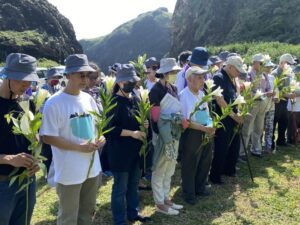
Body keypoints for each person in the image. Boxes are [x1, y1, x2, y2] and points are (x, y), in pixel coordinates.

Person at [40, 54, 105, 225]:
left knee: (87, 212)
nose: (85, 79)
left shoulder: (88, 98)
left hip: (92, 168)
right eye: (80, 75)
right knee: (68, 217)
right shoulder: (54, 103)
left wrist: (101, 138)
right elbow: (47, 137)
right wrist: (79, 147)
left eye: (87, 75)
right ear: (68, 75)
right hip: (69, 170)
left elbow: (97, 128)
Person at [105, 64, 151, 225]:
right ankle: (119, 220)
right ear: (119, 82)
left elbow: (138, 118)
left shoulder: (136, 98)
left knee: (133, 185)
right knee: (120, 188)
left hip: (135, 150)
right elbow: (109, 129)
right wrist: (132, 133)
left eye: (133, 81)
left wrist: (144, 124)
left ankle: (133, 213)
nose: (130, 84)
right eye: (127, 81)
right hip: (120, 152)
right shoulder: (113, 101)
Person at [0, 53, 40, 225]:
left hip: (27, 181)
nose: (27, 84)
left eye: (30, 80)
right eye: (22, 79)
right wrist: (9, 159)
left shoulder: (27, 103)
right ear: (7, 76)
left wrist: (36, 159)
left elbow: (34, 138)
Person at [149, 58, 183, 215]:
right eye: (173, 72)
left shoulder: (174, 88)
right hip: (162, 134)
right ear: (165, 73)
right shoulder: (155, 91)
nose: (176, 74)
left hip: (174, 132)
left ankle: (165, 197)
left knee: (170, 166)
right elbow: (155, 117)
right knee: (160, 167)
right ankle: (159, 202)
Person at [179, 66, 215, 205]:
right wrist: (203, 128)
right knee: (190, 163)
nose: (203, 80)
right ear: (189, 79)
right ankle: (189, 193)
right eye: (199, 77)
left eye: (203, 77)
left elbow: (206, 113)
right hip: (192, 133)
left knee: (205, 160)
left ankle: (199, 187)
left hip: (205, 131)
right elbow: (185, 121)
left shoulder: (201, 94)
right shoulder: (184, 95)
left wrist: (210, 125)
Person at [209, 56, 245, 184]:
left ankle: (229, 169)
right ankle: (215, 175)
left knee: (234, 144)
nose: (239, 72)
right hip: (223, 118)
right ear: (229, 67)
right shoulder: (219, 77)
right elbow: (220, 101)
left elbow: (235, 97)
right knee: (222, 146)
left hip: (233, 116)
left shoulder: (233, 78)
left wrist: (239, 112)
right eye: (237, 69)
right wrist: (234, 116)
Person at [240, 53, 271, 157]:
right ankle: (242, 152)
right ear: (254, 63)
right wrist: (264, 93)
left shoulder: (264, 75)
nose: (262, 65)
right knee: (247, 127)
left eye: (263, 63)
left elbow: (268, 88)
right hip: (252, 104)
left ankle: (256, 149)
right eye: (260, 63)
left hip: (262, 103)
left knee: (259, 127)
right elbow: (247, 91)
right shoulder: (248, 75)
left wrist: (270, 92)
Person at [272, 53, 296, 148]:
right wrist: (288, 94)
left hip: (285, 101)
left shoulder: (288, 73)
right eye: (288, 63)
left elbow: (288, 87)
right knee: (274, 121)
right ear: (282, 63)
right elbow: (275, 89)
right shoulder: (274, 73)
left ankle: (281, 141)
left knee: (284, 121)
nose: (290, 66)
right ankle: (271, 143)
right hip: (276, 102)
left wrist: (292, 92)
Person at [263, 60, 277, 153]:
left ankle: (268, 147)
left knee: (270, 127)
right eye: (267, 67)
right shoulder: (260, 77)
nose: (269, 69)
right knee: (260, 128)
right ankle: (258, 147)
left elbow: (276, 90)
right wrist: (267, 94)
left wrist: (276, 97)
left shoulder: (272, 77)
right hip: (262, 105)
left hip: (271, 106)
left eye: (270, 67)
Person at [287, 65, 300, 144]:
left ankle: (297, 139)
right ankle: (290, 139)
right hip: (292, 107)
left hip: (298, 107)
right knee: (291, 125)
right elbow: (291, 92)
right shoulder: (291, 80)